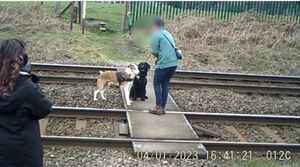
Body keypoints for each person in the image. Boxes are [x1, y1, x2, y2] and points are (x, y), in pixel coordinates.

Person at [0, 39, 52, 167]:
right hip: (25, 154)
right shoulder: (27, 87)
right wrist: (27, 77)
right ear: (21, 60)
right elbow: (45, 108)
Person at [150, 18, 178, 115]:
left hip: (164, 63)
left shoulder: (156, 34)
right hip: (174, 63)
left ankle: (158, 107)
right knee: (165, 84)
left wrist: (157, 54)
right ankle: (163, 107)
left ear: (155, 25)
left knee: (156, 83)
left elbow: (154, 51)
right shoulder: (167, 33)